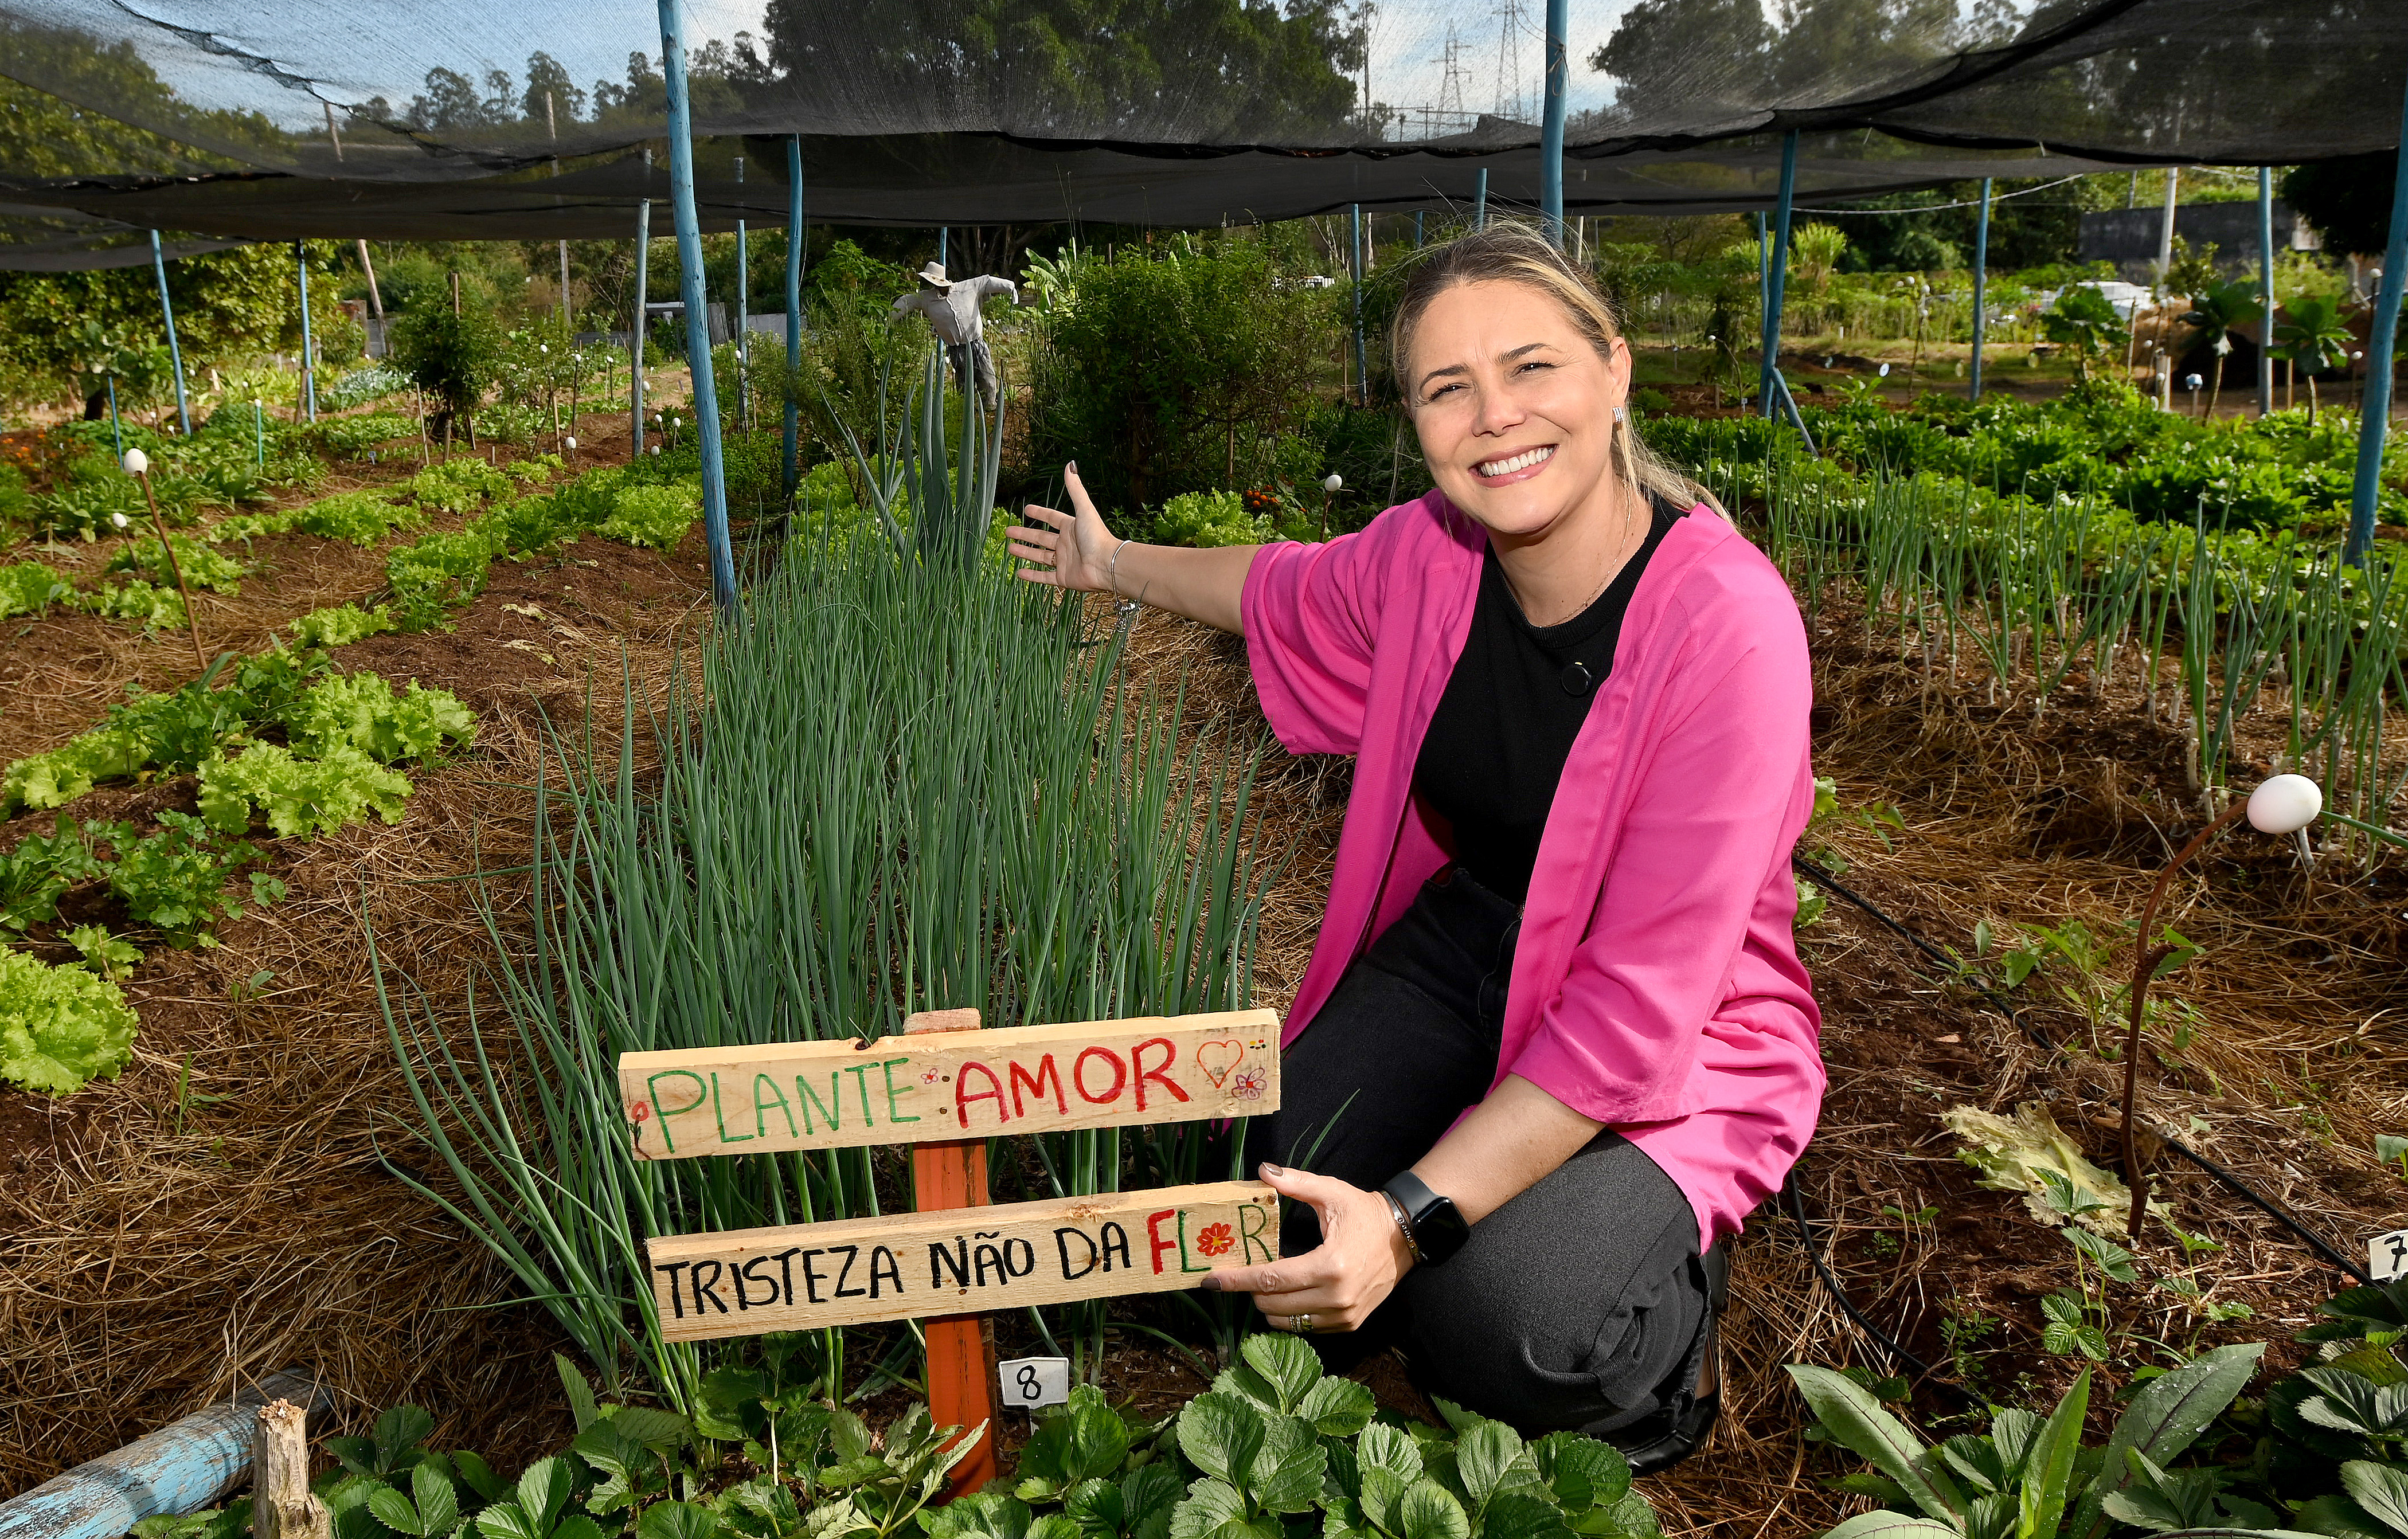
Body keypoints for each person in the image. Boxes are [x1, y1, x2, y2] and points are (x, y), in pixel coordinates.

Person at [1005, 222, 1821, 1471]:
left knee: (1493, 1317)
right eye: (1450, 387)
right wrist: (1114, 564)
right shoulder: (1426, 558)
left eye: (1531, 366)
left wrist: (1404, 1221)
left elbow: (1637, 1002)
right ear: (1417, 418)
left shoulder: (1728, 625)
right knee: (1265, 1191)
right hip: (1474, 939)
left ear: (1614, 368)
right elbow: (1275, 585)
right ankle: (1482, 1156)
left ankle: (1657, 1299)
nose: (1496, 416)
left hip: (1681, 1020)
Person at [892, 261, 1017, 410]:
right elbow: (907, 301)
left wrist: (1011, 288)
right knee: (964, 384)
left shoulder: (967, 288)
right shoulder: (927, 299)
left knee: (987, 379)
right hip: (957, 349)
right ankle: (968, 414)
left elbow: (987, 281)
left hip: (976, 344)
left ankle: (990, 410)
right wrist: (890, 320)